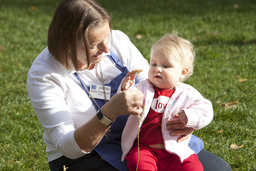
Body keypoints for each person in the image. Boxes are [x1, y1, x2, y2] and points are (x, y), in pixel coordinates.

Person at [26, 0, 231, 170]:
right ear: (67, 43)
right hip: (84, 156)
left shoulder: (118, 43)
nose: (106, 49)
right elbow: (67, 146)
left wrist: (180, 118)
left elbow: (154, 88)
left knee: (218, 169)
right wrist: (109, 113)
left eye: (107, 37)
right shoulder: (44, 76)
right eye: (93, 44)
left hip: (144, 139)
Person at [120, 33, 213, 170]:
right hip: (144, 148)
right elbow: (124, 102)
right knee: (138, 163)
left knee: (193, 167)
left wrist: (191, 117)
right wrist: (125, 90)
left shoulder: (187, 93)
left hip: (175, 150)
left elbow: (206, 110)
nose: (158, 69)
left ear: (182, 73)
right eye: (154, 64)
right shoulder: (144, 87)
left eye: (166, 66)